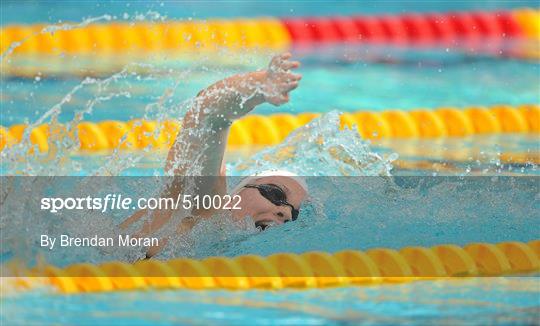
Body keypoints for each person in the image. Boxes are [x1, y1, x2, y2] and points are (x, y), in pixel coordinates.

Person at [120, 53, 308, 257]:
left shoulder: (223, 246)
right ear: (237, 193)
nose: (286, 213)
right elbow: (207, 113)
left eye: (294, 214)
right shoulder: (200, 206)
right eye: (276, 194)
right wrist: (259, 85)